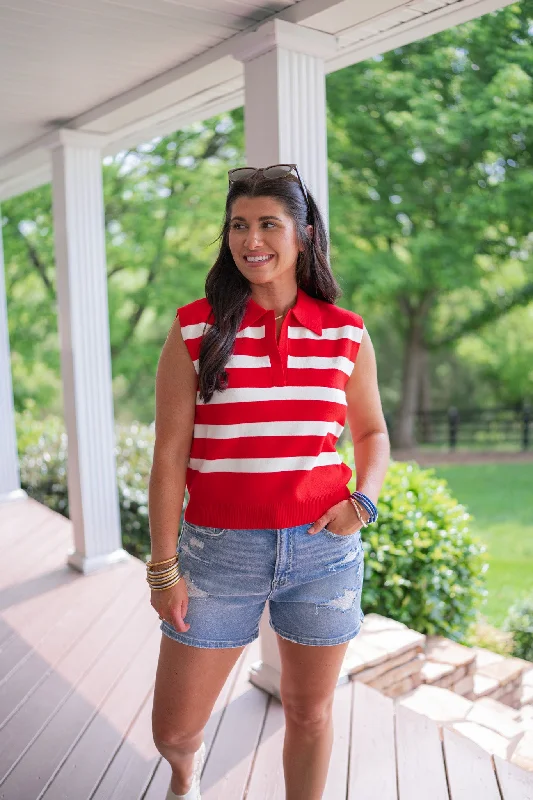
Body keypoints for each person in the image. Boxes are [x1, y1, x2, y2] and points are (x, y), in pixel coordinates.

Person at [148, 164, 390, 800]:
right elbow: (170, 453)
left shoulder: (346, 332)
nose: (251, 239)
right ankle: (184, 773)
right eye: (238, 225)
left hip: (322, 551)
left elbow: (372, 436)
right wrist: (163, 566)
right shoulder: (194, 329)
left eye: (267, 224)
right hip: (217, 555)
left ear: (303, 235)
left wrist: (362, 502)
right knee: (173, 729)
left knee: (309, 714)